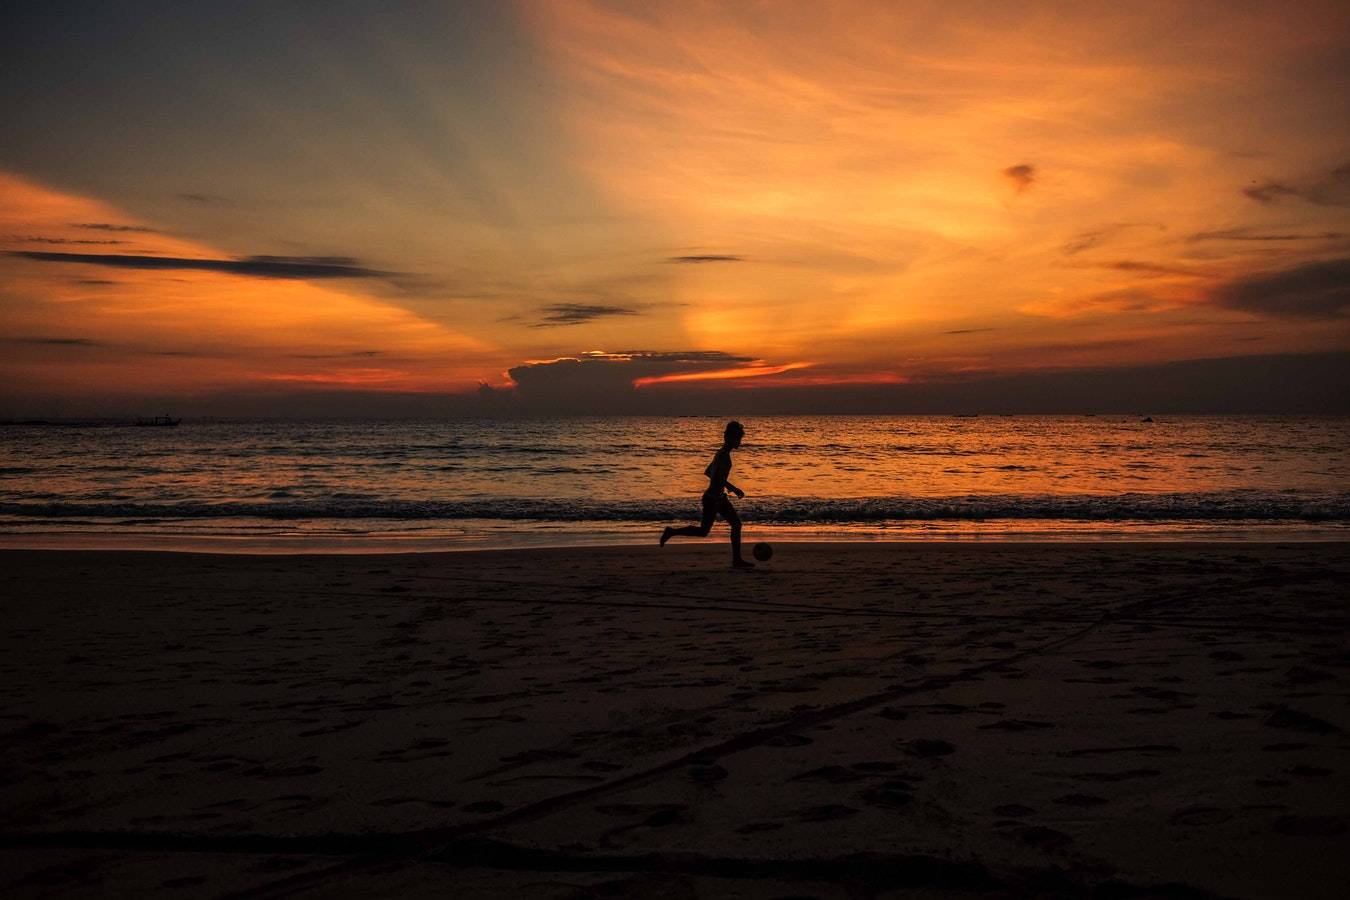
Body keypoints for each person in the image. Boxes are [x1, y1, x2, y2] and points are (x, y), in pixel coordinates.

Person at [660, 420, 754, 567]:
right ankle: (671, 532)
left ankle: (737, 560)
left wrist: (723, 487)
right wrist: (734, 489)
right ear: (729, 438)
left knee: (736, 524)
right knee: (704, 531)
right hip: (712, 499)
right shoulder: (723, 456)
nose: (740, 442)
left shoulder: (721, 453)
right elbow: (716, 477)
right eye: (738, 438)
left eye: (740, 438)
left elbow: (708, 472)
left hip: (719, 498)